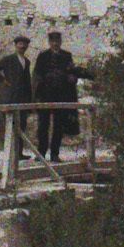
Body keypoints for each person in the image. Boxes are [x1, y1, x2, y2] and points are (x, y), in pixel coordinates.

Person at [32, 29, 81, 162]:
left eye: (57, 41)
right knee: (43, 126)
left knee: (58, 126)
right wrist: (36, 94)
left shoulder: (66, 56)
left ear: (60, 42)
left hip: (61, 96)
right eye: (52, 41)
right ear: (49, 42)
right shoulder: (43, 56)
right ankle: (41, 153)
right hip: (45, 96)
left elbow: (72, 73)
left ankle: (55, 154)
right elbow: (37, 75)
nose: (55, 44)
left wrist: (72, 78)